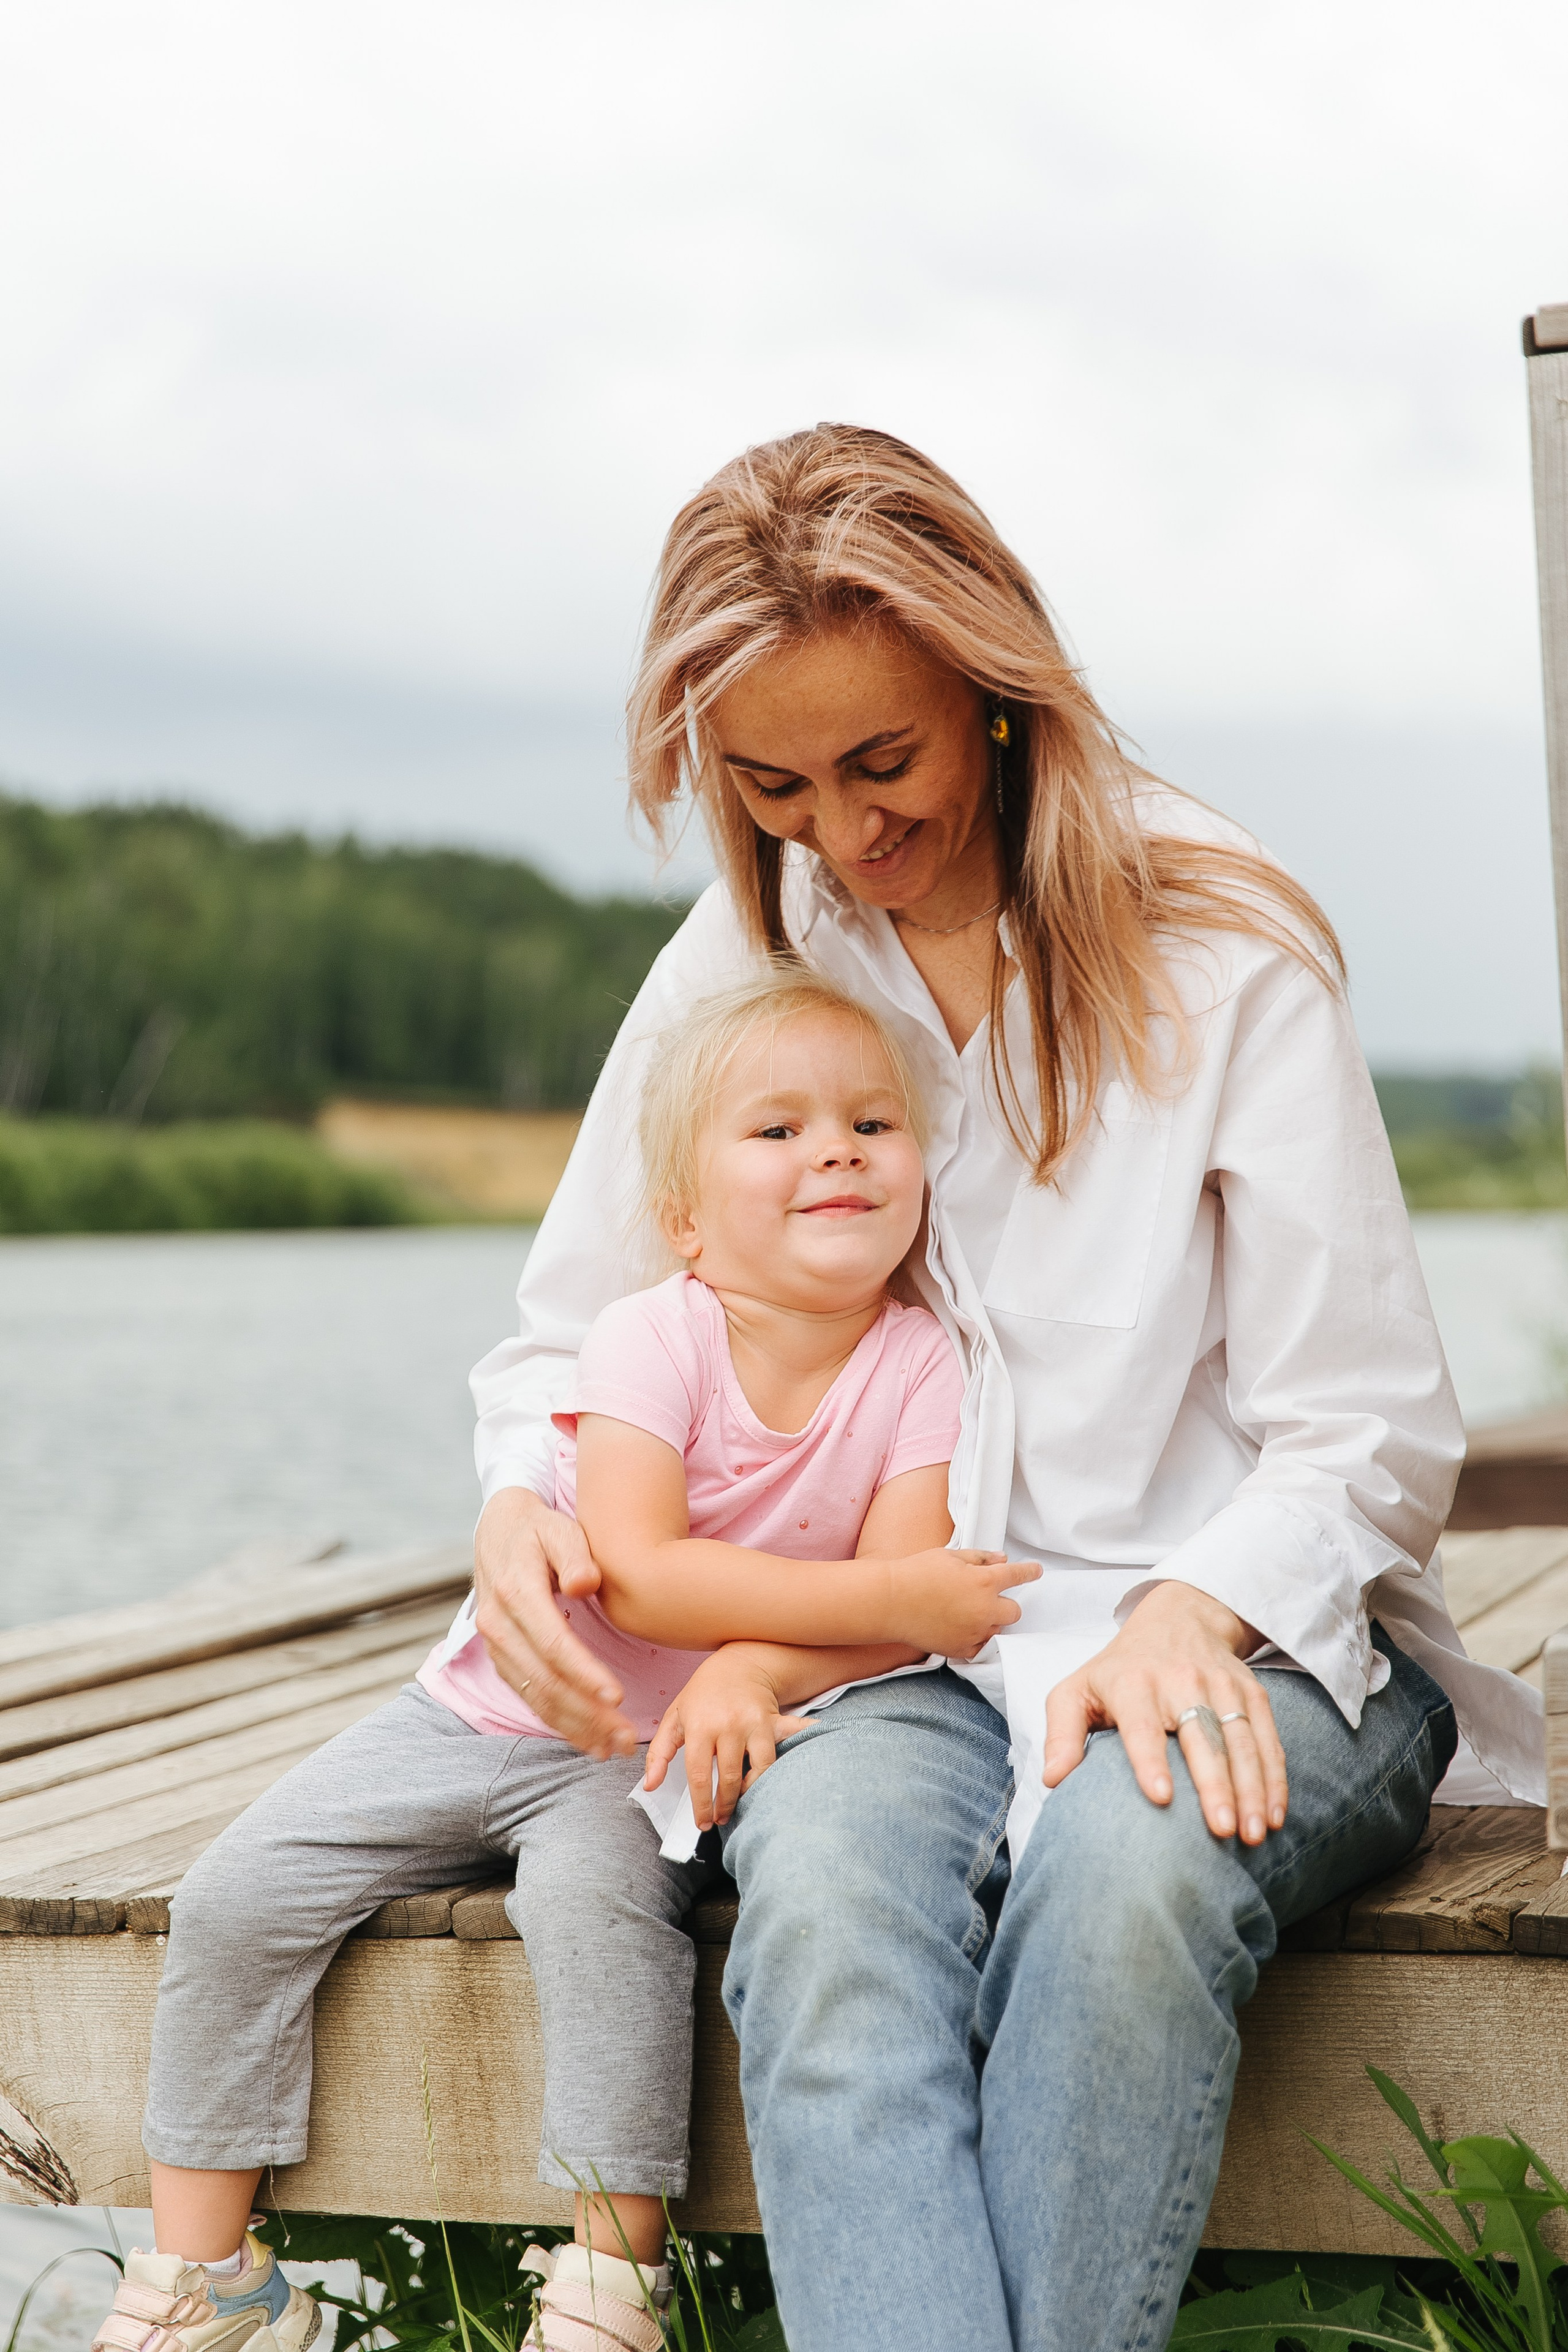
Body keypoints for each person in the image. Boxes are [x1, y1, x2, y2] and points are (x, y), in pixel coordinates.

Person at [467, 424, 1545, 2352]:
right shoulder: (756, 945)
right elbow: (573, 1329)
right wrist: (519, 1511)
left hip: (1265, 1635)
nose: (845, 838)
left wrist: (1183, 1612)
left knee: (1130, 1891)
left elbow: (1366, 1433)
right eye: (777, 787)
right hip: (885, 1654)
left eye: (881, 764)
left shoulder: (1224, 941)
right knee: (818, 1921)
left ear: (996, 686)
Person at [91, 968, 1003, 2352]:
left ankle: (606, 2287)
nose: (835, 1148)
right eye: (777, 1130)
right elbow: (654, 1568)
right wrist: (870, 1602)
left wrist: (759, 1663)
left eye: (872, 1124)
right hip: (479, 1709)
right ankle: (210, 2287)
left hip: (626, 1760)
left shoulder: (920, 1361)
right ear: (686, 1220)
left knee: (594, 1919)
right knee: (237, 1893)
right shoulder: (653, 1334)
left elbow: (899, 1626)